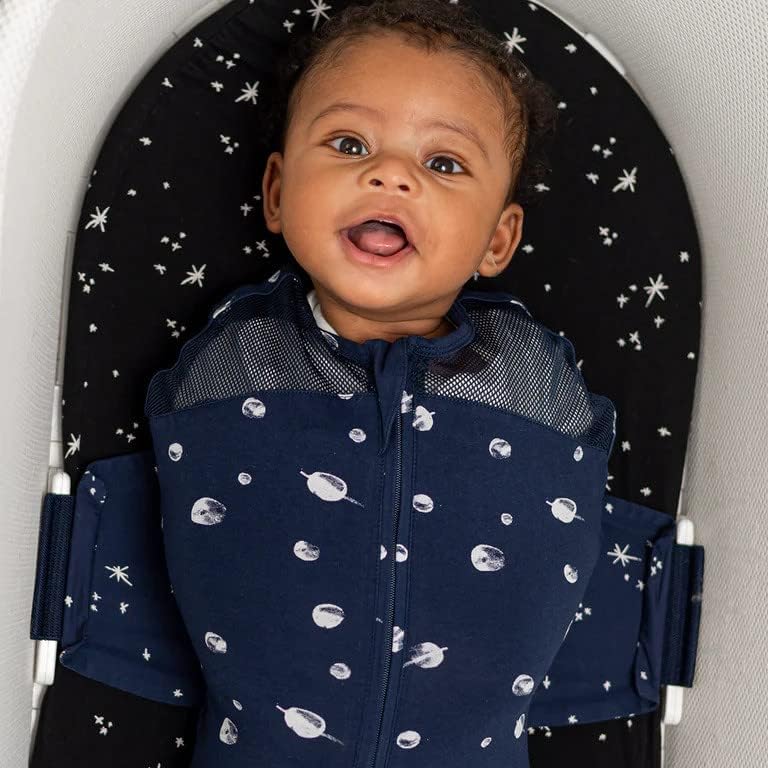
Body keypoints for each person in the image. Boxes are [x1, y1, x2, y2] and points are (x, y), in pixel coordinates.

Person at [35, 1, 617, 766]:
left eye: (443, 164)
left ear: (497, 240)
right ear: (277, 193)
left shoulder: (533, 379)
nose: (390, 174)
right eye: (349, 144)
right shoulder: (235, 361)